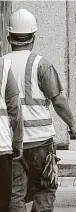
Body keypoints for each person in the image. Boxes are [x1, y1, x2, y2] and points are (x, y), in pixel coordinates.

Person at [4, 9, 76, 212]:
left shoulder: (1, 65)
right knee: (44, 188)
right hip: (40, 141)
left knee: (14, 193)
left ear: (9, 37)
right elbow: (59, 101)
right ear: (34, 37)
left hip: (10, 142)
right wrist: (73, 125)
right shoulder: (41, 65)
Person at [0, 57, 23, 212]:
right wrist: (17, 142)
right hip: (1, 144)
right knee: (2, 201)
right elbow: (14, 108)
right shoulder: (3, 66)